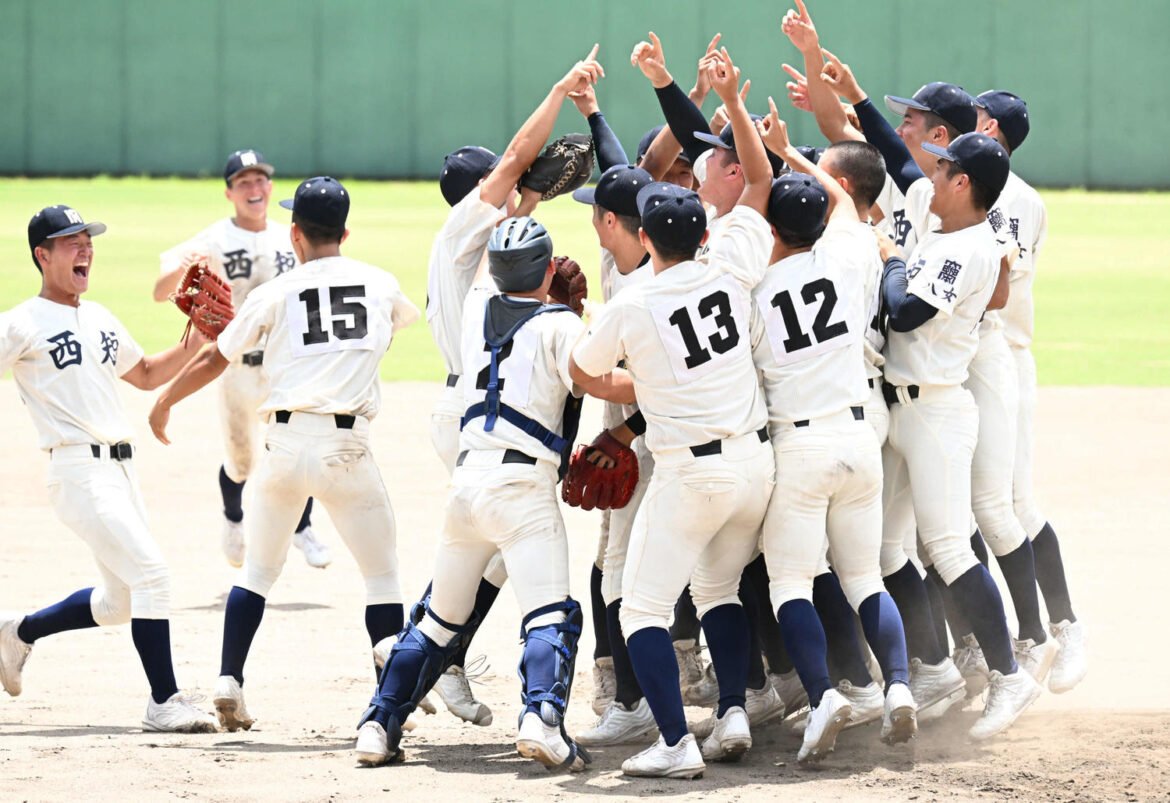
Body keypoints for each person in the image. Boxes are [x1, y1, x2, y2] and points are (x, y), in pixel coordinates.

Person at [354, 214, 635, 771]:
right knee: (550, 616)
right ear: (549, 270)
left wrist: (516, 201)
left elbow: (488, 262)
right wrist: (667, 378)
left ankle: (378, 725)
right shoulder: (561, 325)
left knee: (437, 623)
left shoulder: (474, 309)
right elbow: (598, 381)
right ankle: (541, 721)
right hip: (521, 491)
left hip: (465, 488)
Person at [148, 176, 420, 732]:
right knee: (382, 578)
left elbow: (216, 358)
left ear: (294, 235)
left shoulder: (273, 293)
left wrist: (164, 401)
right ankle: (387, 703)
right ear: (345, 232)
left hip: (283, 446)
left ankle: (229, 679)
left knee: (257, 572)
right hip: (347, 449)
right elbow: (390, 331)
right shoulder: (381, 283)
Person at [571, 49, 775, 779]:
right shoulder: (732, 262)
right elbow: (758, 181)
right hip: (754, 463)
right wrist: (732, 104)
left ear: (645, 237)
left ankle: (674, 741)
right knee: (719, 589)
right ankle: (732, 711)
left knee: (640, 610)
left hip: (690, 475)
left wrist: (641, 386)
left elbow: (583, 372)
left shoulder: (633, 301)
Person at [413, 45, 603, 727]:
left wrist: (530, 197)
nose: (515, 179)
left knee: (485, 551)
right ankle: (434, 651)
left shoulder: (484, 241)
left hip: (474, 405)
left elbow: (517, 199)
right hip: (483, 410)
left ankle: (424, 652)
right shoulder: (467, 229)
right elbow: (519, 157)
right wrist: (559, 90)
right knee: (506, 542)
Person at [0, 205, 218, 732]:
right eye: (71, 242)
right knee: (152, 575)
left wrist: (196, 337)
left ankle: (18, 633)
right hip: (76, 472)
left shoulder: (98, 316)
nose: (86, 249)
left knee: (120, 602)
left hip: (122, 474)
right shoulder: (20, 323)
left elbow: (144, 374)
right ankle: (163, 702)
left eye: (88, 240)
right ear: (42, 255)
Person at [751, 104, 918, 762]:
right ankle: (898, 685)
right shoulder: (850, 255)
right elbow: (846, 203)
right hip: (858, 438)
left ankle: (823, 695)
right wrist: (793, 153)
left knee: (791, 582)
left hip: (799, 447)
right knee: (865, 578)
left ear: (771, 228)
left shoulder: (753, 289)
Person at [153, 149, 330, 570]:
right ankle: (233, 519)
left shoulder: (290, 235)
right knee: (242, 461)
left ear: (270, 186)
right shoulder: (213, 239)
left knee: (297, 448)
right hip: (235, 368)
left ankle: (303, 526)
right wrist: (182, 270)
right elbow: (160, 292)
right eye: (243, 182)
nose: (254, 188)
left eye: (260, 180)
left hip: (287, 365)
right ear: (229, 193)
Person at [977, 90, 1086, 694]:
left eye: (973, 117)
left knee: (1012, 504)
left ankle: (1064, 628)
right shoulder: (958, 183)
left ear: (991, 128)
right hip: (964, 363)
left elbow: (996, 279)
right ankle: (974, 648)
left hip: (1005, 360)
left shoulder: (1017, 200)